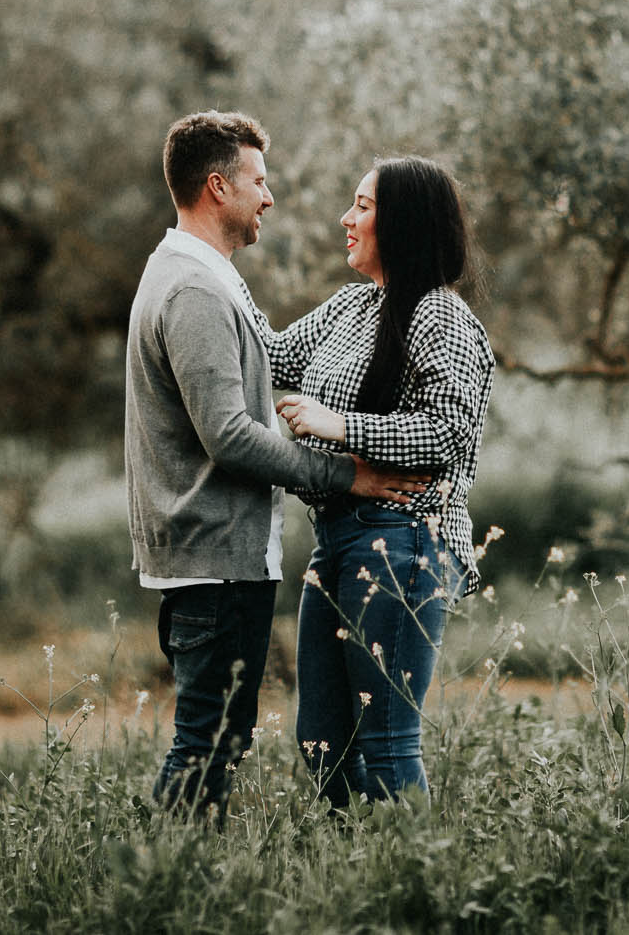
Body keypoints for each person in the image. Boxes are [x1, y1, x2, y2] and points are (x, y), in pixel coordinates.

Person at [125, 111, 423, 824]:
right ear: (218, 186)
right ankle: (160, 885)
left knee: (214, 740)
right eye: (259, 180)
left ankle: (169, 881)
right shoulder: (194, 289)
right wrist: (345, 473)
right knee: (206, 745)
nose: (272, 195)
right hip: (215, 558)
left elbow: (271, 364)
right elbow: (229, 435)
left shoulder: (199, 276)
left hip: (212, 556)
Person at [266, 156, 495, 808]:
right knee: (321, 744)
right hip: (336, 541)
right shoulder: (355, 303)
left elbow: (448, 432)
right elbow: (273, 352)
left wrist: (339, 425)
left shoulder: (437, 315)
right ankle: (352, 888)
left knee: (388, 745)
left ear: (402, 222)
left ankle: (416, 894)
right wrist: (208, 267)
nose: (347, 217)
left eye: (362, 205)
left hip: (403, 539)